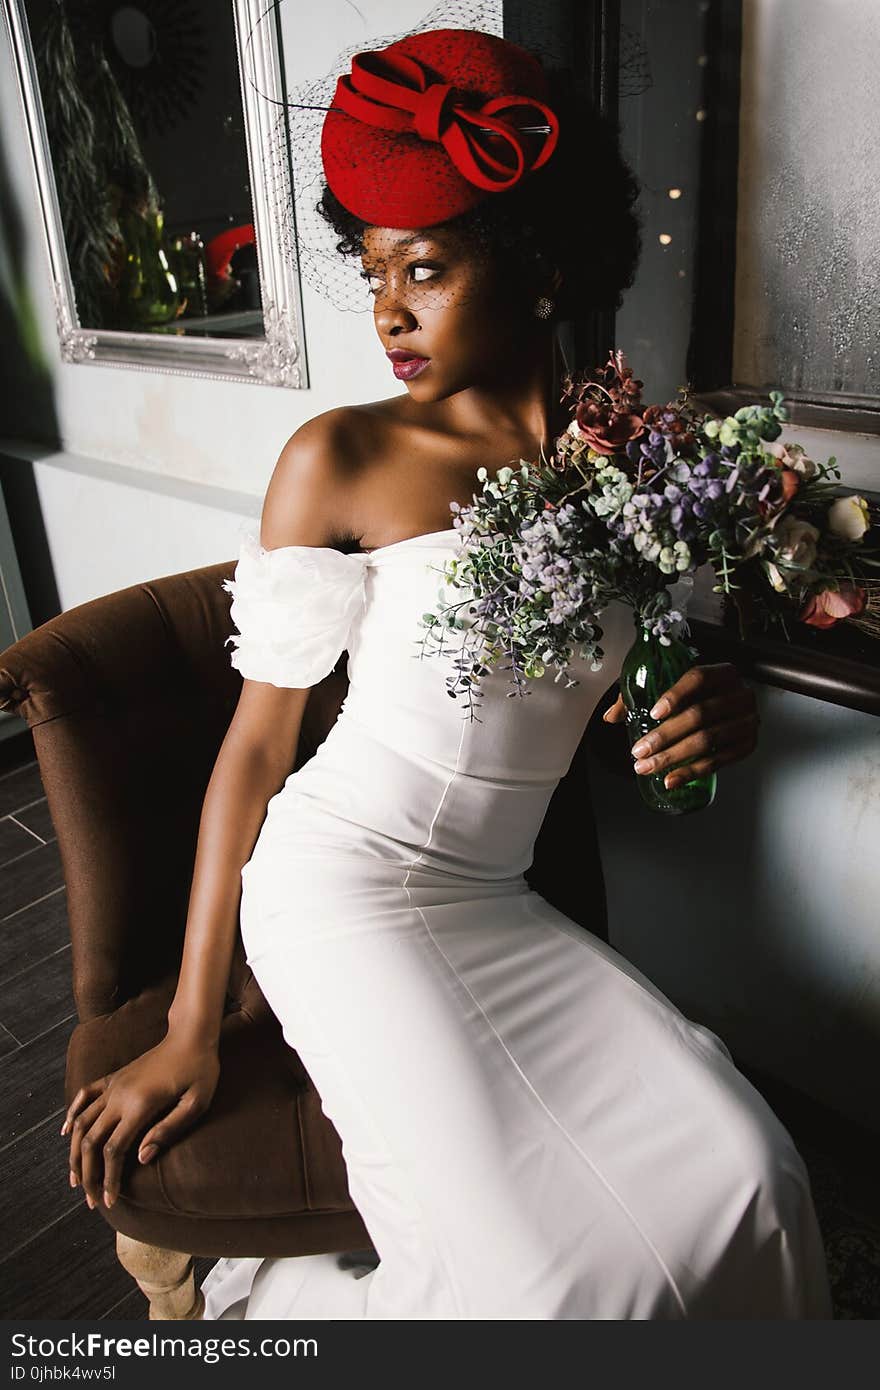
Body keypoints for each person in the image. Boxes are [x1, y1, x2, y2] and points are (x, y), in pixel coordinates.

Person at [61, 26, 832, 1319]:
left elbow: (615, 698)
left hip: (497, 896)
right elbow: (256, 753)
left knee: (748, 1174)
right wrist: (196, 1023)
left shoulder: (631, 464)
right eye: (372, 272)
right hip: (338, 892)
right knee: (546, 1284)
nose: (387, 312)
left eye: (424, 268)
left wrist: (713, 713)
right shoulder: (342, 456)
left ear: (536, 269)